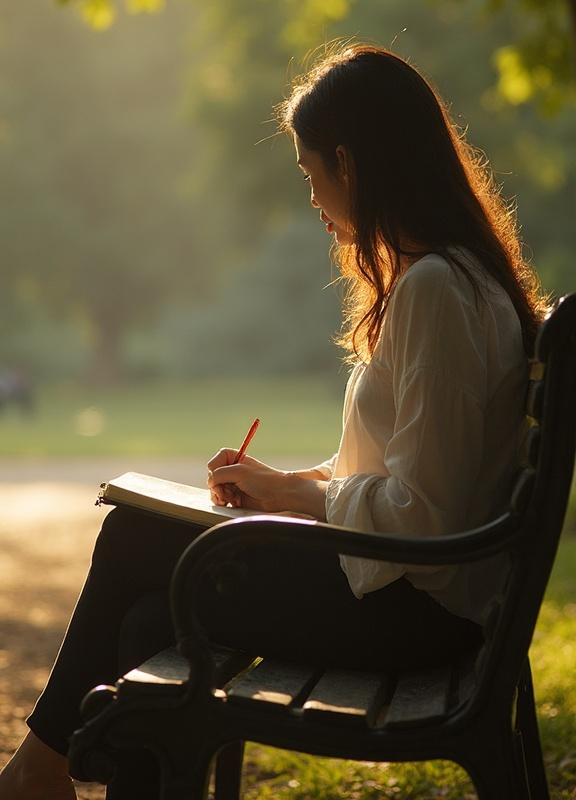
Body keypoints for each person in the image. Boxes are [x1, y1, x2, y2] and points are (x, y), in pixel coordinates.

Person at [0, 44, 548, 799]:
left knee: (134, 533)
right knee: (148, 627)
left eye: (309, 172)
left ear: (350, 164)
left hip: (415, 621)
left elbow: (425, 518)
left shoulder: (436, 293)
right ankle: (45, 768)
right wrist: (282, 485)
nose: (313, 196)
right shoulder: (456, 280)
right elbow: (398, 474)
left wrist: (292, 500)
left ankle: (38, 769)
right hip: (407, 598)